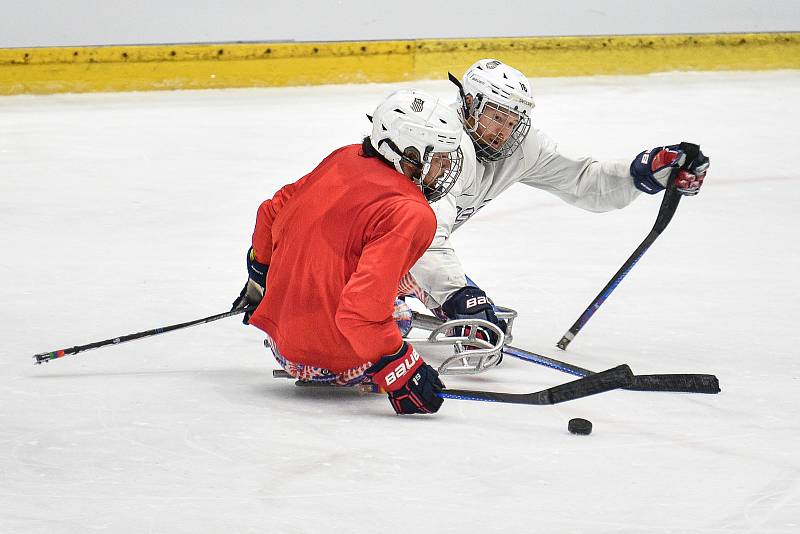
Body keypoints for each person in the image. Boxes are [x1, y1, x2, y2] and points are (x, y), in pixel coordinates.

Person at [400, 58, 711, 343]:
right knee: (386, 330)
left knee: (485, 326)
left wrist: (644, 172)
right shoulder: (441, 145)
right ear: (469, 104)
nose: (504, 133)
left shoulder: (520, 149)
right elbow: (420, 237)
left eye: (512, 123)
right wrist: (458, 293)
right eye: (497, 117)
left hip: (405, 251)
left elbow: (585, 182)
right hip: (369, 249)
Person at [231, 89, 465, 415]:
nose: (444, 168)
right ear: (409, 154)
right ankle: (461, 304)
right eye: (438, 157)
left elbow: (271, 212)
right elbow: (360, 313)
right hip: (335, 360)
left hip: (283, 345)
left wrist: (260, 279)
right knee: (413, 272)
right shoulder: (413, 212)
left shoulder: (345, 156)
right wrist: (401, 367)